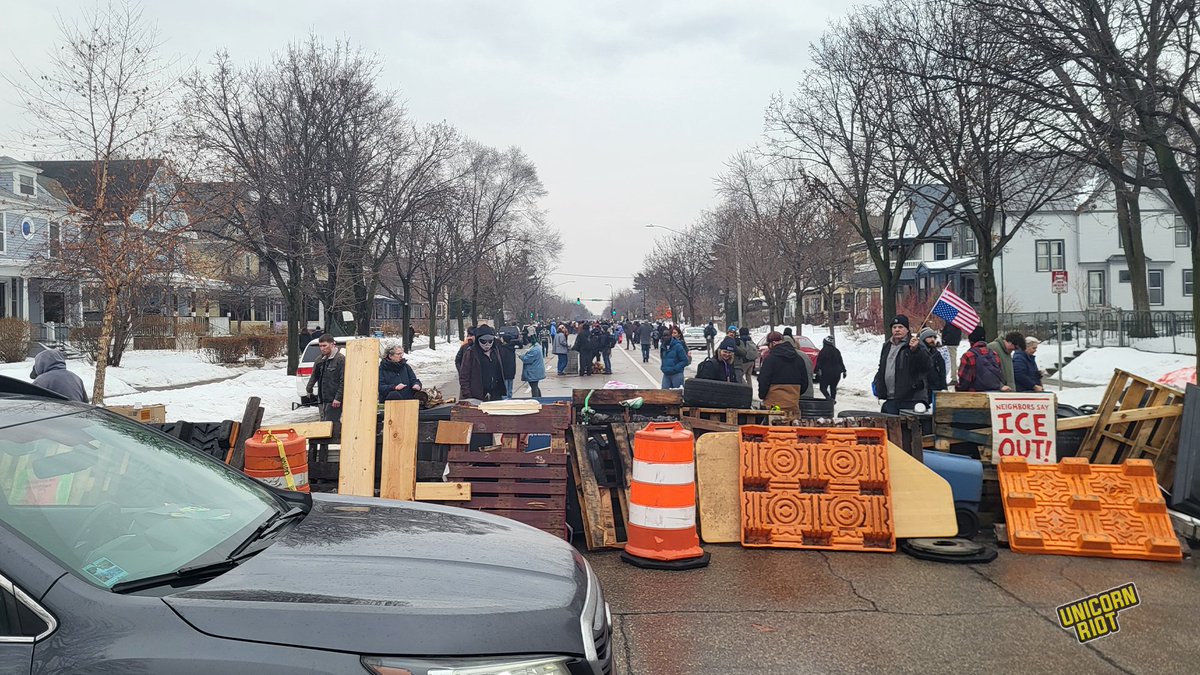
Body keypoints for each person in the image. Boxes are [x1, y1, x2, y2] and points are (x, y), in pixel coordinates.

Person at [871, 315, 932, 414]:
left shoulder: (916, 344)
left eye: (900, 327)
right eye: (894, 327)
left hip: (911, 399)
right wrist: (878, 384)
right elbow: (882, 367)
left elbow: (927, 365)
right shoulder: (887, 346)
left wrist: (916, 351)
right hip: (891, 399)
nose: (897, 330)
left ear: (907, 329)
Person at [757, 331, 811, 416]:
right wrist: (794, 395)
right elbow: (805, 382)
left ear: (773, 343)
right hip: (793, 405)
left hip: (773, 406)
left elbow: (764, 380)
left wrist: (762, 395)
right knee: (792, 428)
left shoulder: (770, 359)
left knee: (772, 428)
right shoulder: (798, 359)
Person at [305, 334, 345, 435]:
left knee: (333, 425)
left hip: (334, 399)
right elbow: (314, 376)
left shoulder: (340, 359)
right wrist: (309, 389)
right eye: (320, 346)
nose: (322, 348)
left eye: (324, 345)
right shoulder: (320, 359)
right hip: (322, 399)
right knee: (323, 424)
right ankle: (323, 448)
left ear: (332, 344)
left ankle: (333, 443)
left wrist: (338, 398)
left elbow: (343, 380)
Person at [458, 325, 506, 401]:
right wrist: (467, 395)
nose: (487, 344)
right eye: (483, 341)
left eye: (490, 341)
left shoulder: (495, 351)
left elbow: (498, 371)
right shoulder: (471, 353)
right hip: (477, 395)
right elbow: (464, 376)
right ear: (478, 340)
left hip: (495, 394)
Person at [957, 326, 1008, 392]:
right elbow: (1000, 374)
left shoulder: (968, 356)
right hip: (994, 393)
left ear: (970, 340)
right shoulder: (994, 354)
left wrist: (958, 389)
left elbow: (964, 380)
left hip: (976, 395)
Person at [813, 335, 846, 402]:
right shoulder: (837, 351)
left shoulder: (823, 351)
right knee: (833, 387)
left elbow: (819, 362)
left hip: (827, 373)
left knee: (823, 387)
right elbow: (841, 361)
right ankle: (833, 399)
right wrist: (844, 370)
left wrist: (815, 371)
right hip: (837, 373)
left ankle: (828, 398)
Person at [919, 327, 947, 403]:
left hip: (935, 389)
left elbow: (942, 372)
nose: (932, 339)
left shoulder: (936, 354)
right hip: (920, 390)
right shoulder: (917, 353)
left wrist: (943, 388)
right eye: (929, 337)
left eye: (934, 337)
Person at [941, 321, 963, 386]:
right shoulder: (956, 322)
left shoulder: (951, 322)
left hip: (950, 343)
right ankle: (953, 377)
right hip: (953, 342)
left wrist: (944, 340)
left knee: (951, 360)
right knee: (952, 359)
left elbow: (951, 333)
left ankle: (954, 378)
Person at [497, 334, 518, 398]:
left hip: (504, 371)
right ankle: (510, 398)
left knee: (505, 389)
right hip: (511, 370)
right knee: (510, 389)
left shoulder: (502, 349)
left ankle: (505, 401)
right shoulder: (512, 348)